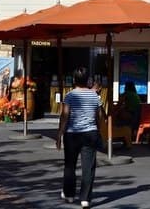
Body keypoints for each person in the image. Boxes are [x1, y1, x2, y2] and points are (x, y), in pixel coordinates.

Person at [57, 66, 104, 208]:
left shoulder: (70, 95)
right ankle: (85, 198)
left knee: (70, 165)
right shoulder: (95, 96)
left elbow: (64, 116)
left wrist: (59, 134)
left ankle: (69, 194)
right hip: (90, 133)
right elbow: (100, 116)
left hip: (72, 134)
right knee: (88, 167)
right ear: (87, 80)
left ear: (74, 80)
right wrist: (100, 131)